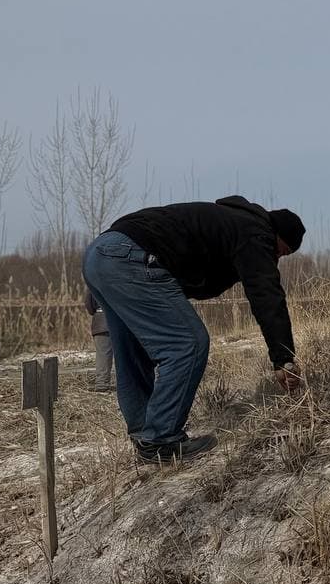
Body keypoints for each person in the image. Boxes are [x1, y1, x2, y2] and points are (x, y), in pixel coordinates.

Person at [82, 195, 305, 463]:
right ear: (277, 236)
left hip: (102, 252)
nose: (277, 258)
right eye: (282, 252)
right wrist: (283, 358)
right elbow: (267, 297)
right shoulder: (256, 234)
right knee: (189, 343)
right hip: (131, 258)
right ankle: (161, 439)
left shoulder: (228, 222)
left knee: (132, 351)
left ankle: (145, 435)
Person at [84, 288, 114, 392]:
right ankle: (129, 384)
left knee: (103, 354)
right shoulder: (123, 276)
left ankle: (102, 383)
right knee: (124, 355)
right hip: (121, 318)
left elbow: (89, 303)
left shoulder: (94, 277)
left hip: (101, 320)